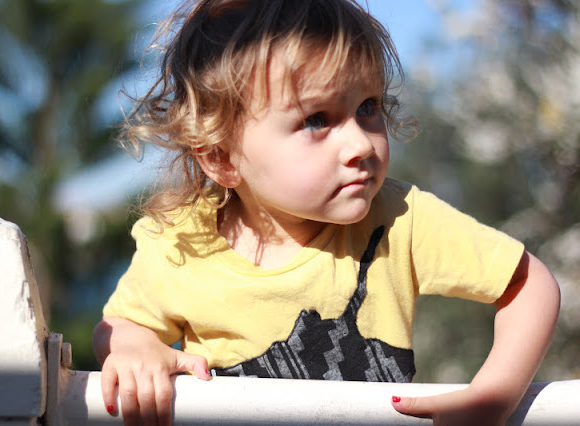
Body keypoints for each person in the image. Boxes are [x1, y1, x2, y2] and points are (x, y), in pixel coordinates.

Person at [92, 1, 561, 425]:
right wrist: (135, 351)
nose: (360, 144)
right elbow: (122, 328)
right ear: (221, 157)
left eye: (368, 107)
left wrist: (493, 396)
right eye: (316, 119)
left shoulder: (398, 219)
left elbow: (529, 284)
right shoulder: (180, 242)